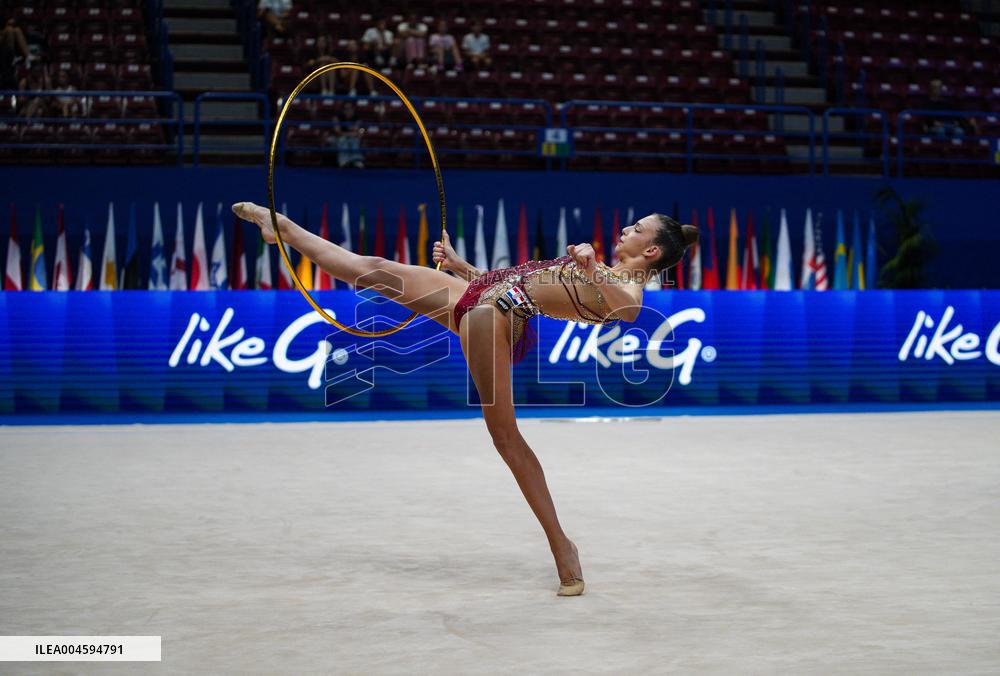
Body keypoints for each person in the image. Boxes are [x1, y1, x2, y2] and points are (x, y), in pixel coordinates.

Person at [231, 202, 698, 596]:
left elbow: (626, 309)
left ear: (651, 251)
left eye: (637, 228)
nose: (625, 228)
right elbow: (520, 284)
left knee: (506, 438)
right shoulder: (599, 267)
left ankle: (562, 545)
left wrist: (590, 267)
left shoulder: (628, 286)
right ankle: (283, 227)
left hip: (496, 323)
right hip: (479, 295)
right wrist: (461, 267)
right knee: (374, 270)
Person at [1, 15, 31, 90]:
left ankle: (28, 57)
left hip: (7, 53)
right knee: (9, 30)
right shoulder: (7, 30)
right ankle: (12, 56)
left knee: (17, 30)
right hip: (4, 51)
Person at [332, 100, 363, 168]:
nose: (348, 110)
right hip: (337, 138)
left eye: (350, 108)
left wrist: (357, 133)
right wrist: (350, 133)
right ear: (342, 110)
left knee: (354, 140)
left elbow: (359, 130)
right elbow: (337, 132)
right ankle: (343, 162)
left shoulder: (357, 117)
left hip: (351, 137)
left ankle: (356, 161)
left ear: (353, 109)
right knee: (343, 140)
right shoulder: (337, 117)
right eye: (346, 109)